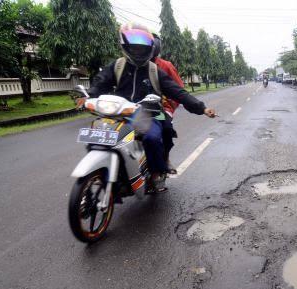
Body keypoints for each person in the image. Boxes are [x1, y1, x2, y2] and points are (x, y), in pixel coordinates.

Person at [84, 22, 216, 192]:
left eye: (142, 48)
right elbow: (100, 83)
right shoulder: (117, 66)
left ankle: (157, 171)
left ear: (150, 49)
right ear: (125, 46)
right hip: (120, 113)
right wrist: (87, 97)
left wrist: (201, 108)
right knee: (97, 133)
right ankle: (101, 171)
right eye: (134, 47)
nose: (138, 51)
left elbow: (178, 91)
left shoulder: (156, 70)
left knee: (155, 136)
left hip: (150, 113)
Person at [151, 34, 184, 175]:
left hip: (161, 108)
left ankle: (165, 159)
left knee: (166, 130)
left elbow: (179, 88)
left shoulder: (165, 66)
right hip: (135, 108)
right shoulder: (129, 65)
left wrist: (169, 104)